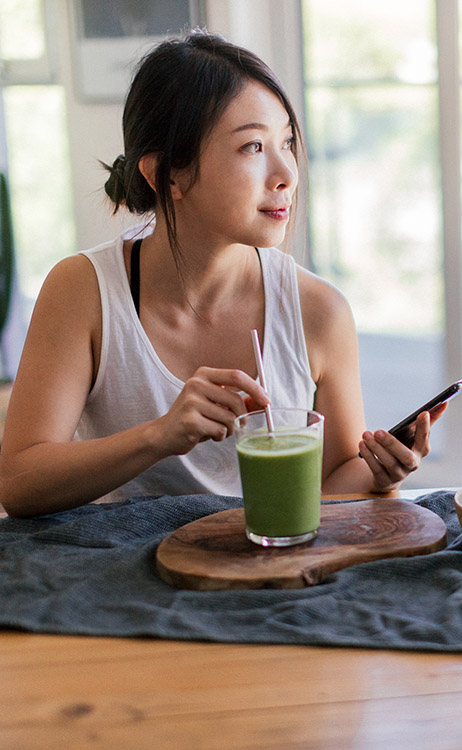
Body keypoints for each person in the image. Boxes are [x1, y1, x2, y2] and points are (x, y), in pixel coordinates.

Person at [0, 30, 446, 518]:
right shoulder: (84, 291)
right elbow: (19, 483)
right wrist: (159, 435)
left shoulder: (319, 311)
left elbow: (329, 487)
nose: (286, 174)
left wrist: (379, 474)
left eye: (287, 142)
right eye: (253, 146)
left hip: (268, 574)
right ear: (168, 174)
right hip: (122, 575)